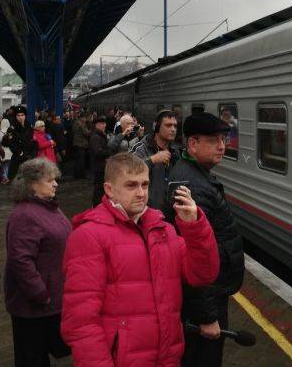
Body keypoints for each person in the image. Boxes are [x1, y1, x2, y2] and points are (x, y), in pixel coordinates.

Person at [61, 153, 220, 366]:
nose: (141, 193)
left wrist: (195, 227)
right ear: (109, 190)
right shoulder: (89, 236)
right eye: (131, 185)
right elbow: (80, 322)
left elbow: (203, 274)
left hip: (167, 358)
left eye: (145, 185)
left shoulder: (164, 230)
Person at [165, 112, 245, 367]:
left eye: (223, 139)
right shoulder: (193, 187)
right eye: (213, 140)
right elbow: (192, 255)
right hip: (204, 304)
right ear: (193, 144)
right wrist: (206, 317)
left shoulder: (193, 174)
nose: (222, 146)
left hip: (210, 294)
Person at [6, 159, 72, 366]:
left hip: (51, 301)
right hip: (34, 306)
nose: (55, 184)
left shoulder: (48, 207)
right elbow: (20, 260)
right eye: (49, 180)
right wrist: (40, 293)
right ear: (32, 184)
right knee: (32, 357)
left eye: (55, 179)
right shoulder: (25, 214)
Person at [130, 110, 181, 211]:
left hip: (168, 212)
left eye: (175, 126)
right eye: (168, 125)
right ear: (156, 126)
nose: (173, 129)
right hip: (145, 211)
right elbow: (127, 171)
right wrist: (152, 160)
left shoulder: (175, 152)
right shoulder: (141, 148)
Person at [3, 106, 37, 181]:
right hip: (18, 158)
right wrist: (19, 152)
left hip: (29, 157)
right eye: (18, 115)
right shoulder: (12, 128)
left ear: (25, 116)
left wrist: (33, 154)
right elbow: (9, 142)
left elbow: (34, 142)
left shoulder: (30, 127)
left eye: (22, 115)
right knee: (16, 181)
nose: (20, 117)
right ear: (15, 116)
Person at [88, 116, 110, 206]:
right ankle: (97, 206)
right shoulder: (95, 137)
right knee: (99, 189)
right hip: (99, 167)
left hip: (101, 167)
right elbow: (98, 152)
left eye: (105, 123)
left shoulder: (100, 135)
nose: (104, 125)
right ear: (97, 125)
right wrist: (109, 151)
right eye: (102, 124)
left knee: (101, 188)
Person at [72, 111, 90, 179]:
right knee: (81, 160)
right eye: (85, 118)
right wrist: (91, 131)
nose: (86, 119)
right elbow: (86, 133)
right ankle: (82, 175)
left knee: (77, 160)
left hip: (76, 143)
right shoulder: (81, 124)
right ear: (83, 118)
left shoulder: (75, 122)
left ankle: (76, 174)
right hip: (81, 143)